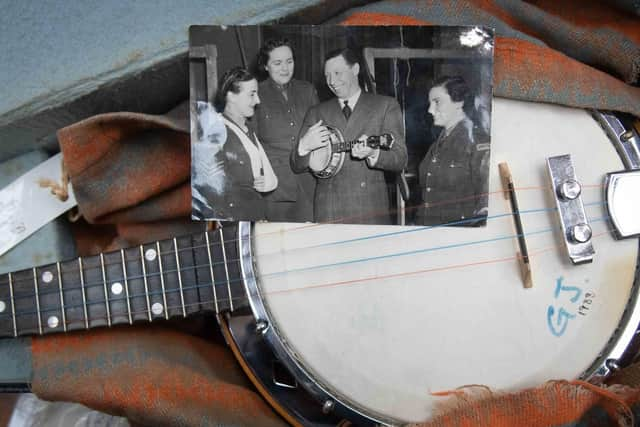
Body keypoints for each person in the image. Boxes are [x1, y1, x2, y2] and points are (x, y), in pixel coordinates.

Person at [291, 48, 407, 224]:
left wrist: (373, 154)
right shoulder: (317, 111)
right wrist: (303, 147)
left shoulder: (385, 106)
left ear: (355, 69)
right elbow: (296, 165)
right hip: (328, 211)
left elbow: (400, 158)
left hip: (369, 211)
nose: (332, 81)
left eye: (337, 73)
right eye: (327, 75)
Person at [193, 67, 277, 221]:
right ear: (231, 96)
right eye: (252, 94)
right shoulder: (214, 131)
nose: (258, 100)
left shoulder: (247, 129)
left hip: (255, 214)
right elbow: (212, 191)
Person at [255, 38, 319, 222]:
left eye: (289, 61)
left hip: (310, 183)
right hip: (276, 190)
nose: (285, 68)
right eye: (277, 63)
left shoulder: (307, 90)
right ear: (265, 66)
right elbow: (251, 145)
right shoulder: (255, 94)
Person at [416, 75, 490, 226]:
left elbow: (485, 205)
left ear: (459, 102)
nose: (430, 110)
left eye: (437, 102)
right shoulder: (437, 144)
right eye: (430, 103)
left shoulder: (477, 142)